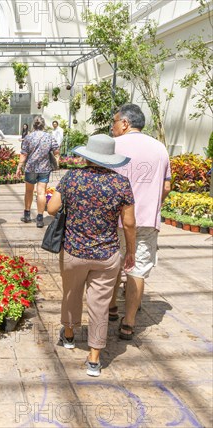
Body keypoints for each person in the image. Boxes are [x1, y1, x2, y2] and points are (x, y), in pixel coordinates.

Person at [47, 134, 136, 377]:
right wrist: (131, 251)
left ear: (87, 154)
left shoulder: (72, 177)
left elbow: (52, 208)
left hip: (73, 251)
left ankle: (68, 335)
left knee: (70, 293)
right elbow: (129, 224)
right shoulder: (121, 184)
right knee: (100, 305)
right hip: (106, 254)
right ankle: (94, 358)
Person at [107, 104, 172, 340]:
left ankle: (112, 307)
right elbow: (166, 186)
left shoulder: (113, 146)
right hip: (145, 220)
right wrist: (151, 203)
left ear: (125, 123)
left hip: (113, 219)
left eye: (114, 122)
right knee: (138, 269)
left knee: (113, 263)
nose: (113, 128)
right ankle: (129, 322)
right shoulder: (160, 148)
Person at [15, 116, 59, 228]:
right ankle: (40, 218)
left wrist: (19, 167)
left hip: (31, 168)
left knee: (29, 191)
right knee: (41, 193)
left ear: (33, 125)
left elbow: (24, 154)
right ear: (43, 125)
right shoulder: (49, 137)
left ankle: (27, 214)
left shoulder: (29, 137)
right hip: (44, 168)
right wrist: (57, 160)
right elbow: (56, 150)